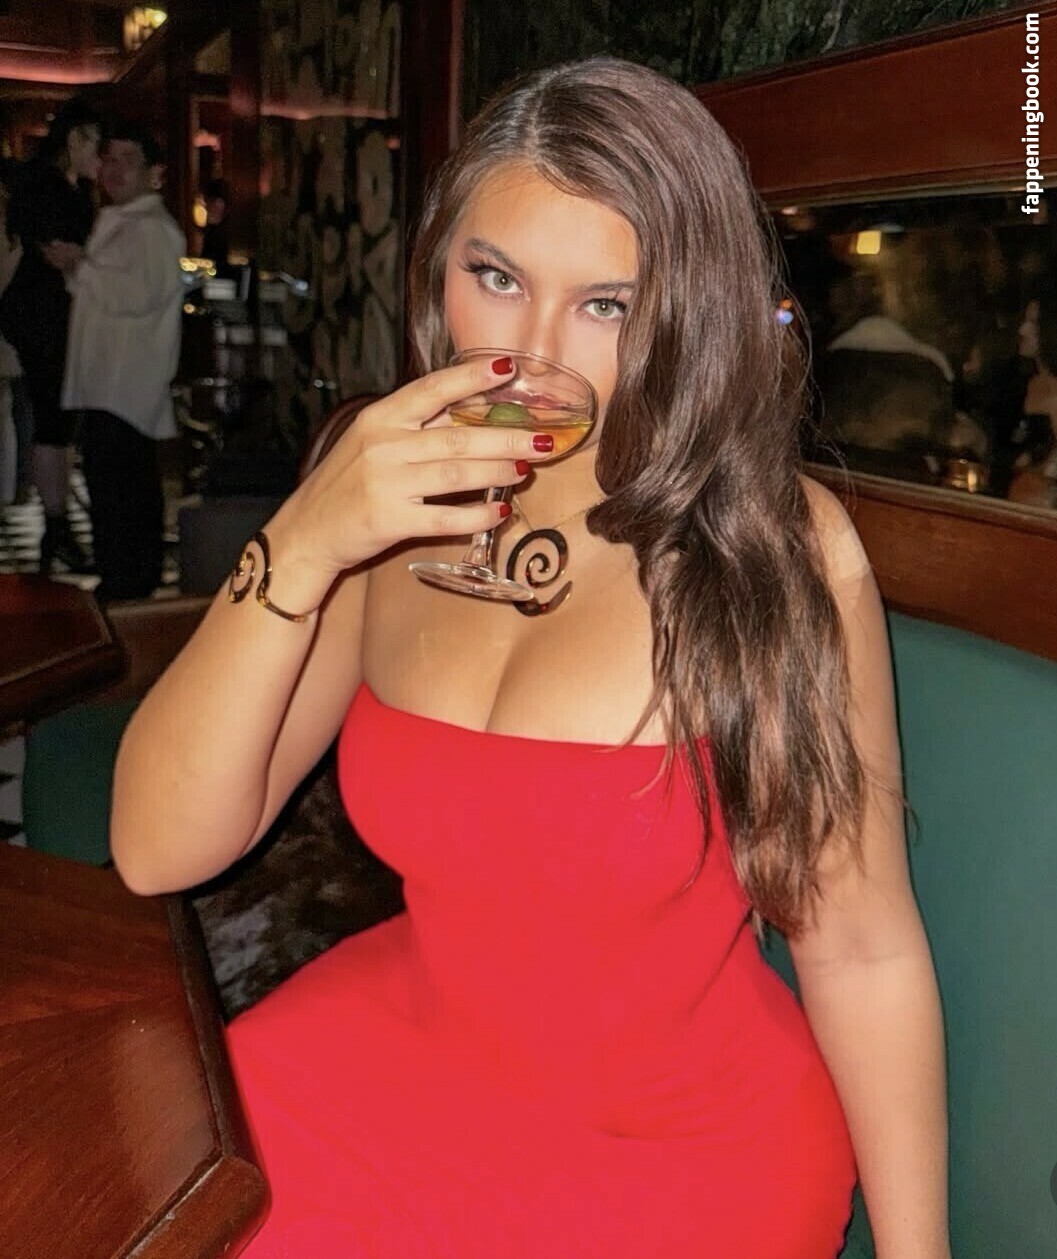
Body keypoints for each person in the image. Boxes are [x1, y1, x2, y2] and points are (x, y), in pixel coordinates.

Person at [111, 59, 951, 1259]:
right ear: (438, 267)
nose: (532, 356)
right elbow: (160, 846)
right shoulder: (382, 488)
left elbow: (861, 946)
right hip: (389, 1064)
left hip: (681, 1148)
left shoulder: (769, 548)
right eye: (496, 278)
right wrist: (306, 537)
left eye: (606, 304)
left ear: (685, 313)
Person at [45, 124, 185, 602]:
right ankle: (124, 583)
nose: (114, 169)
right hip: (108, 384)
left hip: (127, 386)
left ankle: (130, 589)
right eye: (110, 158)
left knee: (124, 490)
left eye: (128, 159)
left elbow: (136, 295)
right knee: (113, 488)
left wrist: (80, 266)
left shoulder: (153, 229)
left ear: (153, 173)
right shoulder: (122, 222)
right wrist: (78, 268)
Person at [0, 97, 100, 572]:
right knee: (51, 419)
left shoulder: (61, 187)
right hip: (41, 315)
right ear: (76, 139)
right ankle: (56, 526)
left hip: (45, 314)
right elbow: (58, 252)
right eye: (96, 145)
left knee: (53, 419)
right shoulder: (49, 187)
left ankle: (55, 528)